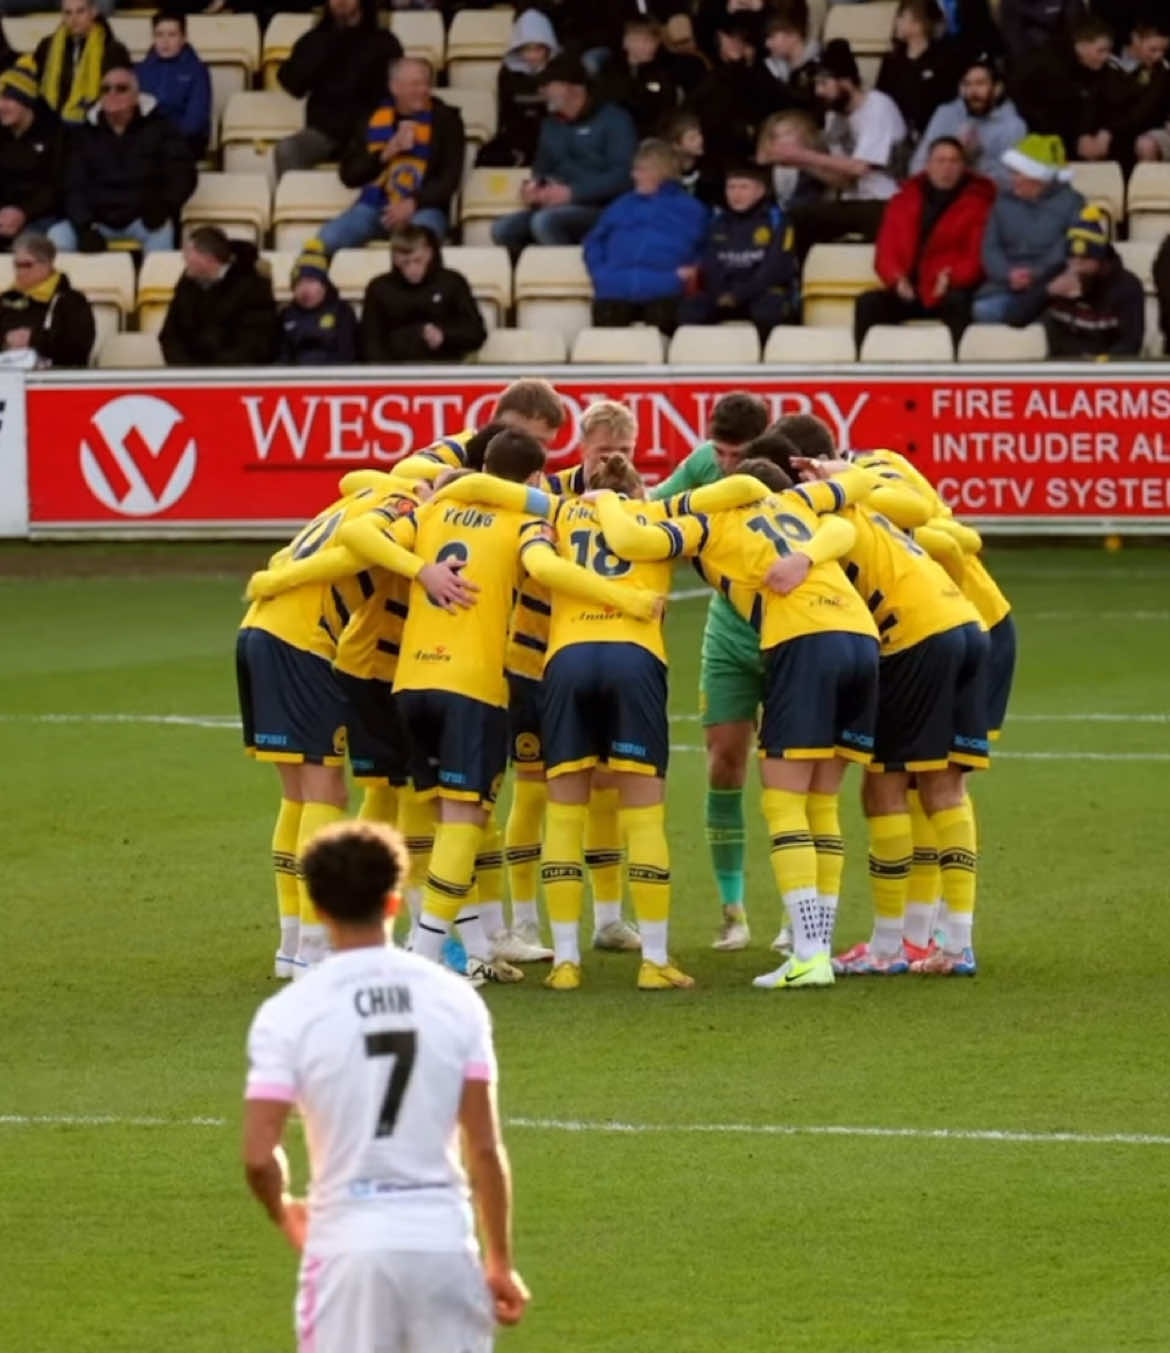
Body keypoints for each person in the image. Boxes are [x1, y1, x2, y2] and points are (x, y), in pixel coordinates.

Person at [332, 430, 663, 974]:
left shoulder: (432, 509)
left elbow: (357, 530)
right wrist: (625, 597)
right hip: (473, 686)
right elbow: (551, 570)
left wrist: (422, 570)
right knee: (466, 819)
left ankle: (477, 953)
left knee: (442, 817)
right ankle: (426, 956)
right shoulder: (526, 520)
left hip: (410, 684)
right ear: (535, 477)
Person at [594, 453, 886, 989]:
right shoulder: (796, 504)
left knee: (784, 800)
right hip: (861, 640)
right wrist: (805, 553)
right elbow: (845, 519)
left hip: (803, 640)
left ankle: (809, 956)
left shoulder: (710, 520)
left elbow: (632, 542)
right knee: (822, 800)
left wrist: (607, 503)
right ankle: (812, 948)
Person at [241, 819, 530, 1353]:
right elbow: (485, 1148)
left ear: (320, 909)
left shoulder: (290, 1012)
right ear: (394, 902)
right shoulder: (456, 999)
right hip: (443, 1243)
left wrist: (284, 1210)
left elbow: (260, 1156)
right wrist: (501, 1263)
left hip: (347, 1250)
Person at [768, 426, 990, 979]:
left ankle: (890, 946)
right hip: (965, 623)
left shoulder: (816, 517)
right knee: (945, 784)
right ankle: (954, 941)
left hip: (913, 638)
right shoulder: (866, 499)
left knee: (884, 785)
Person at [237, 475, 475, 975]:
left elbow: (350, 492)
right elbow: (356, 547)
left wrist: (277, 576)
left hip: (260, 630)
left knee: (299, 794)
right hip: (301, 642)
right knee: (326, 791)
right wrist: (422, 567)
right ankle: (314, 951)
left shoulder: (367, 493)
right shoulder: (407, 514)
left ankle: (291, 946)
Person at [848, 439, 1015, 963]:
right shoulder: (882, 468)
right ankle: (941, 938)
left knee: (899, 779)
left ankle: (902, 941)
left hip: (940, 630)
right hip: (974, 623)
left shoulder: (859, 485)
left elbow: (951, 537)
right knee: (932, 779)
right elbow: (955, 531)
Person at [646, 392, 770, 950]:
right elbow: (651, 513)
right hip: (729, 632)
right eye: (719, 452)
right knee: (724, 764)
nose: (724, 466)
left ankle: (801, 918)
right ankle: (733, 910)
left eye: (736, 455)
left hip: (793, 632)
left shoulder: (788, 466)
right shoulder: (700, 466)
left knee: (798, 776)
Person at [855, 136, 994, 349]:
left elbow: (979, 255)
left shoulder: (979, 203)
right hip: (909, 290)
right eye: (940, 161)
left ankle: (958, 369)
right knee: (869, 302)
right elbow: (885, 252)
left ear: (963, 167)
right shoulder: (903, 200)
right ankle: (863, 368)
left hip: (948, 288)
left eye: (954, 161)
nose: (947, 167)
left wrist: (952, 277)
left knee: (957, 302)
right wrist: (897, 279)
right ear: (928, 165)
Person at [490, 54, 637, 254]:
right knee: (503, 229)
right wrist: (536, 188)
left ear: (572, 87)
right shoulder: (550, 125)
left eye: (548, 85)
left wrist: (573, 193)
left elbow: (623, 176)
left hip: (603, 208)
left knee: (545, 222)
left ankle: (569, 277)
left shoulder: (614, 119)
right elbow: (541, 169)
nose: (542, 91)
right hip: (557, 206)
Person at [317, 58, 464, 253]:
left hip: (423, 209)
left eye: (426, 84)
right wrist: (386, 153)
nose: (422, 90)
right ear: (394, 87)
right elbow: (348, 175)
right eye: (414, 85)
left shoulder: (446, 120)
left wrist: (413, 203)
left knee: (418, 246)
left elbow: (449, 179)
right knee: (326, 240)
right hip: (374, 207)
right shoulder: (371, 119)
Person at [780, 39, 910, 256]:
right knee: (796, 218)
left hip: (887, 201)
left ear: (846, 81)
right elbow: (844, 179)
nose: (818, 91)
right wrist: (798, 161)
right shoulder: (835, 117)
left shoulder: (877, 106)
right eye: (816, 85)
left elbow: (859, 168)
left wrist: (804, 155)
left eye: (824, 83)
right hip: (854, 202)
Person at [50, 60, 196, 254]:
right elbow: (71, 184)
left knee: (163, 233)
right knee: (57, 236)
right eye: (106, 89)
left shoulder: (161, 128)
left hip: (144, 219)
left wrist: (164, 206)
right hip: (96, 221)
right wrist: (84, 225)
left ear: (136, 96)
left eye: (121, 88)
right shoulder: (83, 134)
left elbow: (183, 173)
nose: (112, 94)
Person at [583, 138, 709, 335]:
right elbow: (594, 241)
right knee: (607, 334)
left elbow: (706, 247)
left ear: (661, 172)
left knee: (663, 325)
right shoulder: (621, 205)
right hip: (616, 287)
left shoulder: (691, 209)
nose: (634, 176)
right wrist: (601, 273)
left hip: (666, 288)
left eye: (641, 170)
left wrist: (688, 274)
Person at [274, 0, 402, 179]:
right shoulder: (315, 39)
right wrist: (319, 50)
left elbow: (396, 92)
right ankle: (299, 205)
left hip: (370, 129)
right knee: (288, 150)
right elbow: (293, 85)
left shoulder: (384, 42)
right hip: (325, 131)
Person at [678, 161, 799, 340]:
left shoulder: (777, 221)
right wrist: (722, 294)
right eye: (731, 187)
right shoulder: (718, 222)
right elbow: (711, 263)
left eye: (744, 187)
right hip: (723, 294)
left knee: (768, 310)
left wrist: (739, 294)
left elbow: (775, 269)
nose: (736, 194)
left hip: (760, 293)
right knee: (689, 311)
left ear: (760, 191)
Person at [971, 133, 1084, 326]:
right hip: (1005, 286)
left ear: (1037, 176)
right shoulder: (1002, 202)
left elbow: (1070, 247)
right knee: (984, 310)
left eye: (1018, 173)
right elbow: (990, 247)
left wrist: (1035, 274)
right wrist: (1008, 274)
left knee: (1049, 316)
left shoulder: (1072, 202)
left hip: (1050, 288)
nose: (1013, 179)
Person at [361, 224, 486, 364]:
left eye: (417, 260)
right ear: (395, 259)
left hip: (446, 369)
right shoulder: (379, 289)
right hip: (393, 372)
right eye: (405, 262)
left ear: (429, 253)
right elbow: (370, 342)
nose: (412, 269)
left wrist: (444, 335)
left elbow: (476, 333)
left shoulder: (452, 282)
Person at [159, 226, 278, 366]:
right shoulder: (186, 283)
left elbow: (255, 343)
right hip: (188, 374)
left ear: (208, 258)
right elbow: (170, 335)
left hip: (234, 376)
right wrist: (187, 370)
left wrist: (215, 371)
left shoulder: (254, 287)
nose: (184, 258)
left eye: (189, 252)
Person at [1011, 15, 1122, 164]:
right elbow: (1042, 113)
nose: (1106, 57)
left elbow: (1107, 104)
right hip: (1042, 133)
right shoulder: (1048, 68)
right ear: (1081, 46)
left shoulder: (1103, 69)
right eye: (1100, 51)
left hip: (1083, 136)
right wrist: (1077, 139)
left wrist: (1101, 133)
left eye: (1108, 51)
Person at [910, 55, 1028, 188]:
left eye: (980, 83)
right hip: (936, 193)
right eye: (967, 84)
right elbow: (917, 165)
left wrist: (975, 159)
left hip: (982, 199)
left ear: (997, 89)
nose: (973, 92)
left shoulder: (1013, 126)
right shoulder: (946, 113)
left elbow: (1013, 183)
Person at [1042, 204, 1144, 358]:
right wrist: (1047, 292)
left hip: (1106, 371)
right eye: (1072, 258)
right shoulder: (1056, 276)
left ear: (1100, 261)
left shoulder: (1128, 286)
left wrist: (1099, 366)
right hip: (1060, 369)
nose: (1076, 265)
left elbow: (1131, 342)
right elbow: (1018, 316)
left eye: (1085, 259)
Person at [688, 17, 778, 167]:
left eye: (743, 43)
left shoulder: (763, 78)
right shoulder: (712, 79)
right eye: (731, 41)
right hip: (716, 155)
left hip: (754, 154)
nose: (738, 47)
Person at [475, 8, 558, 169]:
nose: (532, 56)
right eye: (527, 49)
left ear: (548, 48)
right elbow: (506, 112)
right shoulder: (507, 73)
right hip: (518, 133)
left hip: (552, 134)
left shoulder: (559, 71)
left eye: (538, 49)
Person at [0, 230, 94, 366]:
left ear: (47, 264)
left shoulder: (71, 300)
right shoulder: (7, 297)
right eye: (16, 265)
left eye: (26, 265)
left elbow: (78, 349)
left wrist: (33, 339)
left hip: (55, 378)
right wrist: (6, 340)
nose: (19, 272)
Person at [877, 0, 964, 143]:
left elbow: (950, 102)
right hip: (896, 137)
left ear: (918, 23)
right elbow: (882, 99)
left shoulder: (943, 60)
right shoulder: (892, 60)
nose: (897, 21)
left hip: (934, 136)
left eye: (902, 17)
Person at [0, 60, 66, 248]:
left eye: (8, 99)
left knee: (26, 247)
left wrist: (23, 213)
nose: (1, 106)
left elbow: (58, 186)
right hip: (4, 218)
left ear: (26, 100)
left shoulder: (55, 133)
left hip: (43, 216)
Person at [33, 0, 130, 126]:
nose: (74, 19)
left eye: (80, 11)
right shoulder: (47, 46)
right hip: (52, 124)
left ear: (93, 12)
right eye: (68, 13)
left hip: (95, 125)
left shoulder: (113, 50)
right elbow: (33, 84)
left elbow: (118, 94)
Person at [135, 10, 211, 161]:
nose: (165, 41)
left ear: (183, 38)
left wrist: (162, 138)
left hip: (185, 143)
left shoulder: (198, 71)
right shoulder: (139, 70)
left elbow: (195, 120)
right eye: (159, 35)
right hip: (147, 142)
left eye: (172, 35)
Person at [600, 16, 684, 137]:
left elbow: (666, 108)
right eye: (645, 41)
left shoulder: (661, 72)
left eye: (654, 41)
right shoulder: (610, 71)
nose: (652, 46)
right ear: (626, 42)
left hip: (653, 135)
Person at [276, 245, 359, 366]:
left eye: (311, 281)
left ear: (324, 285)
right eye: (298, 283)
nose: (304, 289)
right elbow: (281, 356)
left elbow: (347, 354)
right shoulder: (286, 315)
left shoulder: (342, 312)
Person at [756, 110, 826, 211]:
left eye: (788, 133)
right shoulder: (765, 169)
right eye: (776, 136)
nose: (782, 140)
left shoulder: (816, 166)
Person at [1123, 19, 1170, 166]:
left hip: (1154, 130)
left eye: (1163, 51)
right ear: (1136, 40)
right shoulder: (1113, 66)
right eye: (1153, 49)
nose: (1158, 56)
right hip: (1118, 129)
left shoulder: (1163, 70)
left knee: (1146, 144)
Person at [761, 6, 821, 112]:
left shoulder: (818, 68)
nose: (767, 44)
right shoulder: (774, 71)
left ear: (793, 34)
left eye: (772, 37)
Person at [664, 109, 721, 206]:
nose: (700, 140)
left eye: (700, 134)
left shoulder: (710, 171)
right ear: (676, 145)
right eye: (692, 138)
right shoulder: (665, 174)